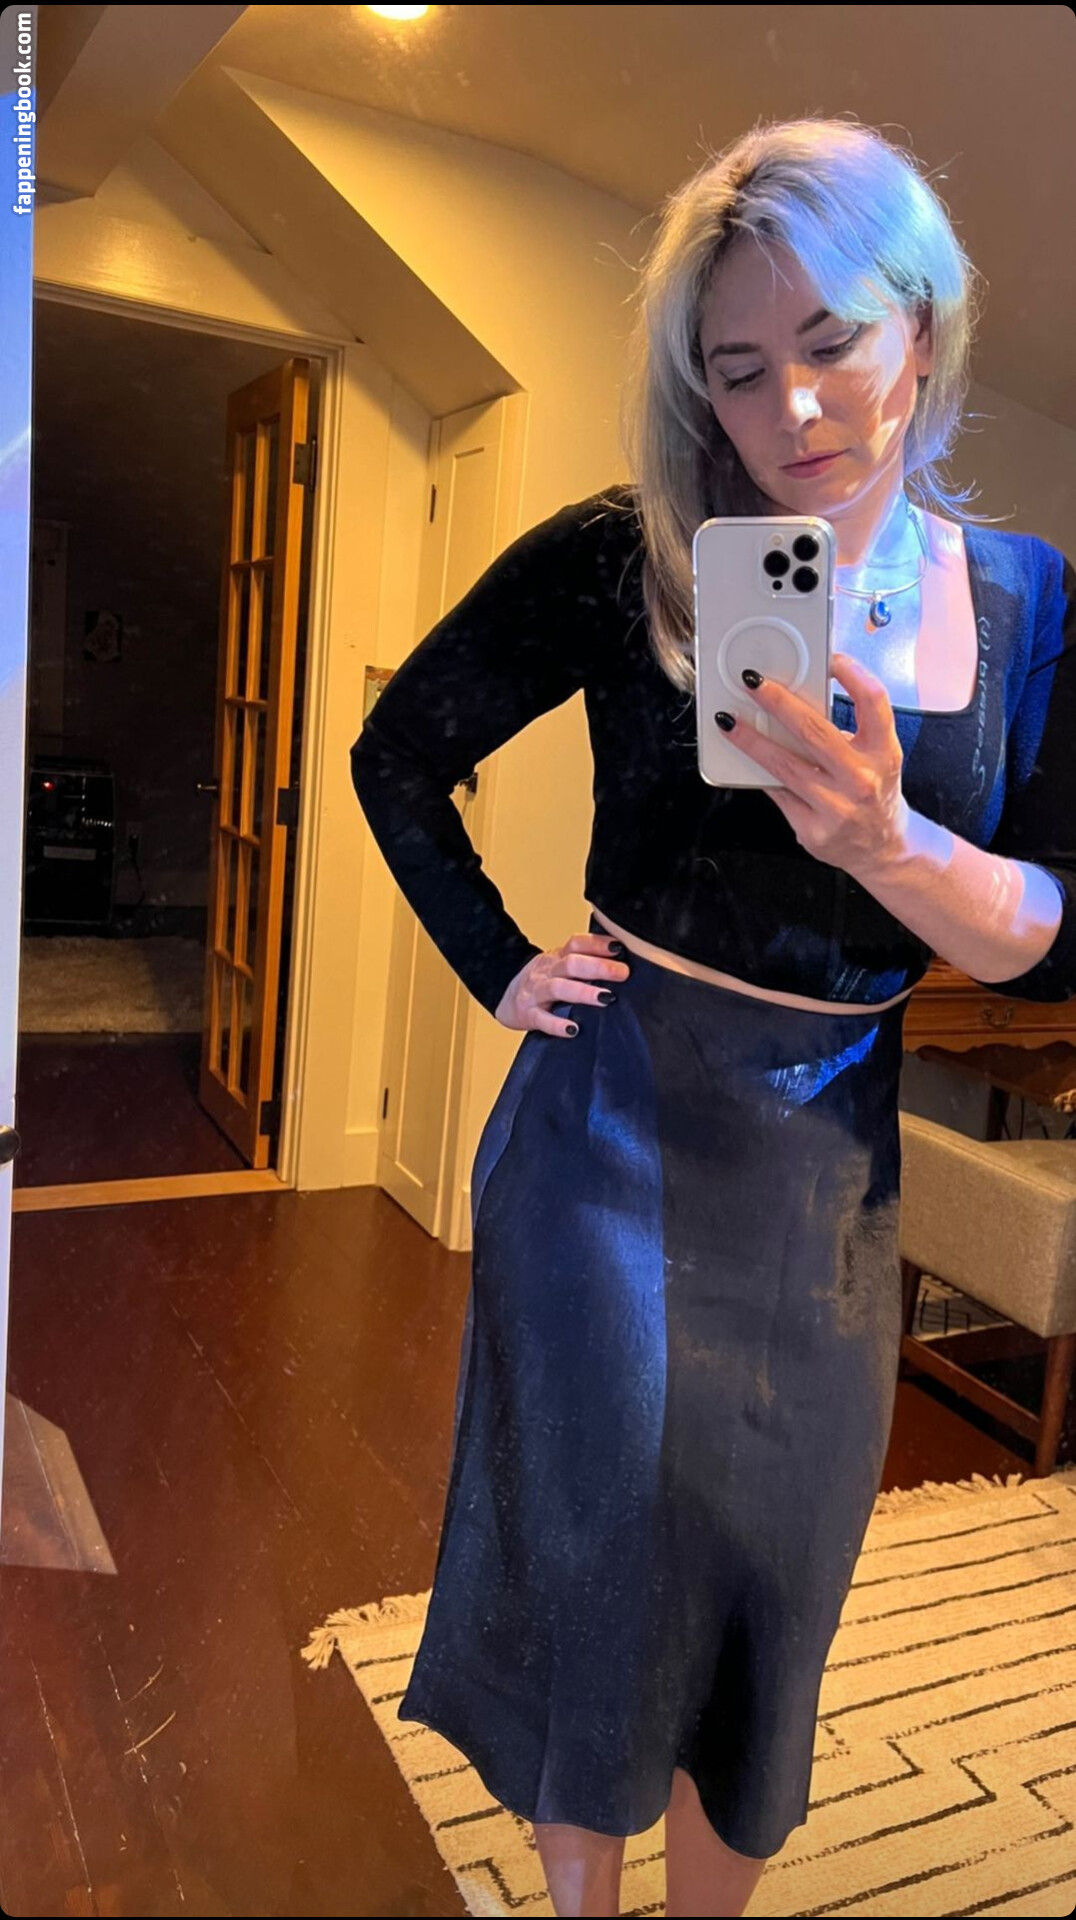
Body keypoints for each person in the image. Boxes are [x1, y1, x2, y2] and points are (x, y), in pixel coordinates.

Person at [350, 116, 1076, 1918]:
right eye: (739, 370)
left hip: (832, 1163)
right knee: (604, 1570)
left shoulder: (1033, 603)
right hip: (611, 1121)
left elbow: (1056, 940)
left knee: (774, 1589)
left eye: (832, 342)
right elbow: (400, 750)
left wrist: (887, 842)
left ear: (922, 326)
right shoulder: (637, 556)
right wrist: (498, 960)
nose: (794, 409)